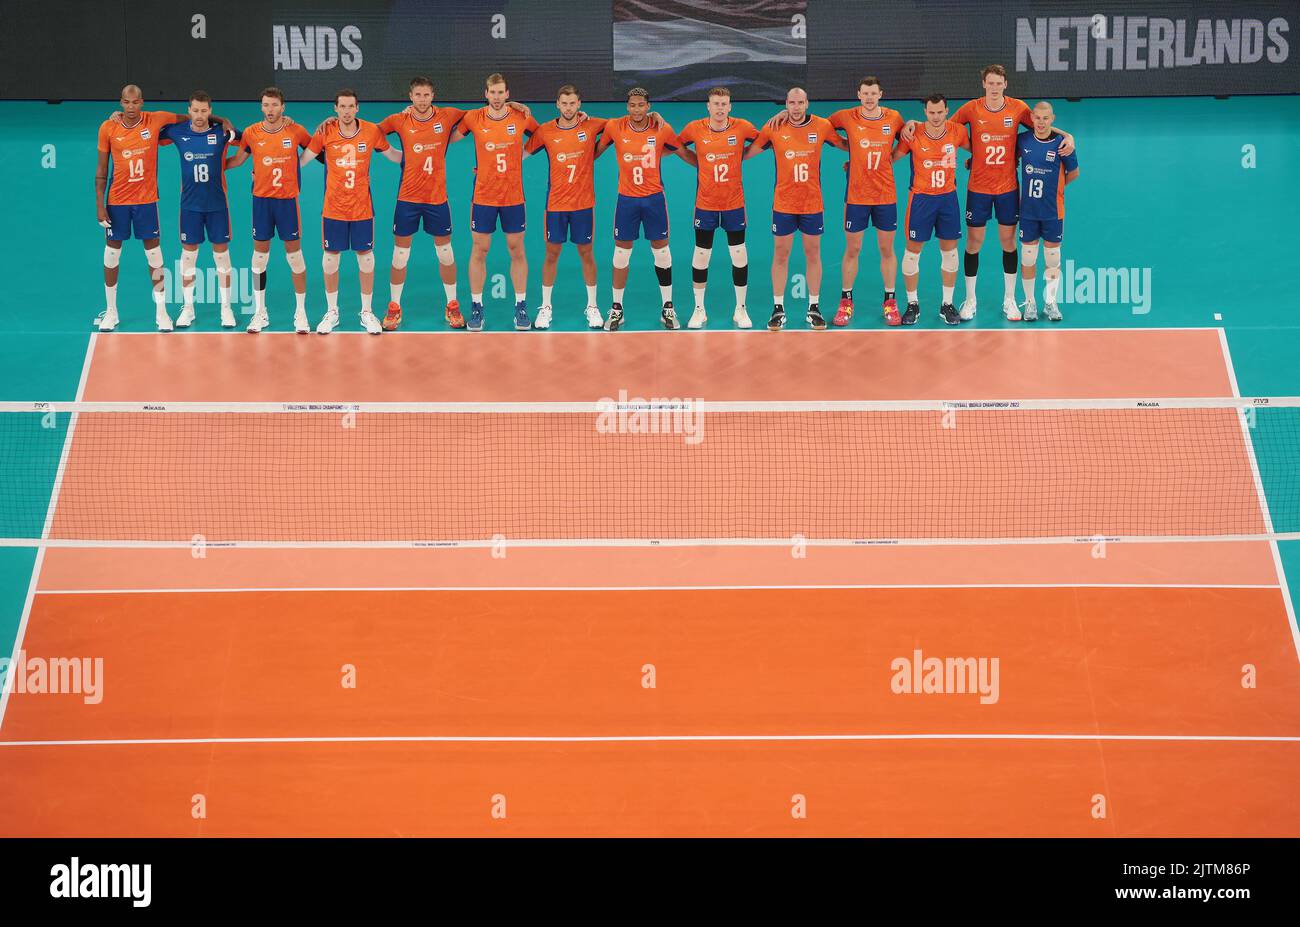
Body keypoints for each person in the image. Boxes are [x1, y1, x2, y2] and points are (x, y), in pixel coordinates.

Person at [300, 89, 403, 334]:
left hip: (362, 208)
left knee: (366, 258)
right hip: (333, 208)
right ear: (335, 108)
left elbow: (393, 155)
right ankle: (332, 311)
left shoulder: (371, 131)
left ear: (357, 108)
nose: (346, 111)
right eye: (342, 107)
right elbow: (302, 159)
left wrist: (421, 155)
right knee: (331, 258)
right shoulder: (325, 132)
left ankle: (366, 312)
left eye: (350, 107)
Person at [747, 87, 848, 331]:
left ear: (807, 104)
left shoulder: (822, 126)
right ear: (786, 103)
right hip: (783, 203)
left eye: (800, 102)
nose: (796, 107)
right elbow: (748, 151)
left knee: (813, 254)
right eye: (791, 103)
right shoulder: (774, 127)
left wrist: (874, 148)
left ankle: (813, 307)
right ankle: (778, 309)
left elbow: (846, 143)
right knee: (781, 254)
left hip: (812, 203)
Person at [450, 73, 540, 331]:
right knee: (479, 250)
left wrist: (521, 155)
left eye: (502, 93)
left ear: (507, 94)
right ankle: (476, 307)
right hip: (484, 196)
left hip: (513, 196)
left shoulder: (521, 116)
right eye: (493, 92)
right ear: (486, 94)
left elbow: (542, 135)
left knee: (517, 250)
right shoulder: (473, 118)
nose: (498, 97)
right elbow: (450, 133)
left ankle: (520, 306)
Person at [594, 88, 684, 331]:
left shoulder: (661, 128)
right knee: (621, 254)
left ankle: (667, 307)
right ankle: (616, 309)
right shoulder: (615, 127)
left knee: (662, 252)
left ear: (648, 106)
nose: (636, 110)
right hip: (627, 200)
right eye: (632, 105)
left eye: (641, 105)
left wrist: (705, 167)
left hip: (654, 199)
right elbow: (593, 153)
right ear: (627, 106)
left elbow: (681, 149)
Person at [224, 87, 313, 333]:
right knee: (259, 259)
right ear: (261, 107)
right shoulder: (252, 133)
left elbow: (318, 149)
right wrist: (211, 165)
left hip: (287, 202)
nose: (270, 110)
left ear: (283, 107)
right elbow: (238, 160)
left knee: (295, 257)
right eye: (266, 105)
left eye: (274, 105)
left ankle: (301, 313)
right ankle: (260, 313)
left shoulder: (295, 130)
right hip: (262, 203)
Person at [674, 87, 760, 329]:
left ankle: (740, 310)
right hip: (706, 204)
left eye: (724, 104)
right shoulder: (695, 128)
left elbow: (766, 141)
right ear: (708, 107)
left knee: (738, 254)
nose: (720, 108)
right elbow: (675, 145)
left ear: (730, 106)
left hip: (734, 204)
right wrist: (698, 163)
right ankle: (699, 310)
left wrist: (742, 156)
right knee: (702, 255)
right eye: (716, 104)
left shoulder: (742, 127)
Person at [525, 84, 608, 329]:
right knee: (551, 255)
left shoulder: (592, 126)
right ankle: (546, 307)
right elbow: (519, 155)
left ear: (579, 104)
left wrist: (654, 115)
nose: (569, 108)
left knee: (586, 254)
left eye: (573, 103)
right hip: (556, 205)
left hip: (583, 205)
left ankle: (592, 306)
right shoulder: (545, 131)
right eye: (565, 103)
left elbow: (622, 123)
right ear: (557, 105)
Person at [159, 91, 241, 329]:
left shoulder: (222, 133)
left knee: (222, 258)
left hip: (217, 206)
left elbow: (250, 141)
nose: (199, 115)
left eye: (204, 111)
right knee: (188, 257)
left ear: (210, 111)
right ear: (189, 110)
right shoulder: (178, 131)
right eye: (195, 110)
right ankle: (188, 308)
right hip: (190, 207)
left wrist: (233, 163)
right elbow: (149, 134)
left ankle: (226, 308)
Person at [827, 77, 904, 327]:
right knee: (853, 249)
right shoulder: (846, 116)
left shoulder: (893, 118)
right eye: (865, 93)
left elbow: (908, 138)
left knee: (886, 250)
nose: (869, 98)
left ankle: (890, 301)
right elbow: (821, 128)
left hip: (885, 195)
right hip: (857, 196)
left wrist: (892, 155)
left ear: (880, 94)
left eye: (873, 93)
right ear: (858, 94)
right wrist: (849, 149)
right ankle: (846, 301)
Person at [891, 94, 970, 326]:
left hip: (948, 199)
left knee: (950, 253)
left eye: (940, 112)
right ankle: (912, 304)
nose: (936, 116)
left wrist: (972, 161)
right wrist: (858, 164)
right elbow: (892, 158)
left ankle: (947, 304)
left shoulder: (957, 131)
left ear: (947, 110)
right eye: (931, 112)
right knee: (912, 253)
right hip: (921, 201)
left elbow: (980, 149)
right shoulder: (913, 134)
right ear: (925, 112)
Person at [1016, 102, 1080, 322]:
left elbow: (1074, 173)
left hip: (1053, 211)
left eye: (1046, 118)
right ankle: (1030, 303)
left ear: (1052, 119)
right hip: (1028, 211)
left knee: (1052, 259)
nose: (1041, 122)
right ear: (1031, 118)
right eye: (1037, 118)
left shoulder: (1063, 144)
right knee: (1028, 257)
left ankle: (1051, 302)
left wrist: (1057, 190)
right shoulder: (1023, 140)